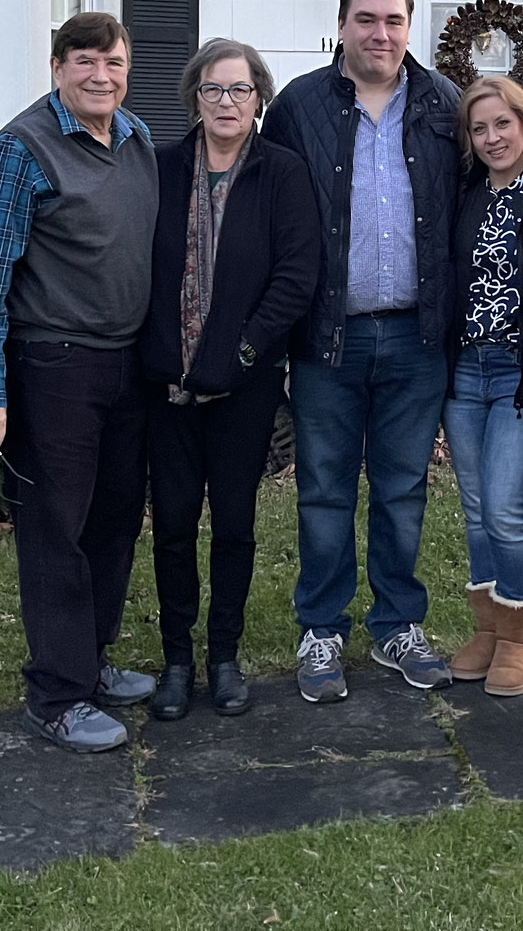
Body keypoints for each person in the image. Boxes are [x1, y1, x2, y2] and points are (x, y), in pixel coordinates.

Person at [0, 11, 158, 755]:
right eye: (84, 62)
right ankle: (57, 694)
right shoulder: (20, 149)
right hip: (52, 367)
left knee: (111, 523)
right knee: (55, 535)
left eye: (113, 61)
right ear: (56, 67)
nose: (100, 75)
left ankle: (94, 662)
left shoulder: (135, 139)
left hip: (127, 365)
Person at [263, 0, 464, 701]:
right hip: (327, 337)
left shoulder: (445, 105)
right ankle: (321, 627)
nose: (380, 33)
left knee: (403, 488)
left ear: (410, 29)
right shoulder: (298, 107)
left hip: (417, 337)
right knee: (322, 489)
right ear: (342, 25)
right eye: (366, 19)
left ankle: (396, 624)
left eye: (394, 21)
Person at [138, 39, 319, 720]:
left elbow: (296, 276)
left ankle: (224, 657)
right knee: (176, 524)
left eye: (240, 90)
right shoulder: (159, 170)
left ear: (259, 98)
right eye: (213, 89)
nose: (226, 102)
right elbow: (138, 270)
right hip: (168, 386)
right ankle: (178, 660)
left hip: (244, 384)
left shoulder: (282, 173)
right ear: (195, 96)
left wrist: (242, 353)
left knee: (235, 525)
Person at [441, 76, 523, 698]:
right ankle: (488, 630)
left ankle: (520, 636)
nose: (492, 138)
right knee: (473, 510)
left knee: (504, 507)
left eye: (502, 124)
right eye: (479, 128)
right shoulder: (463, 194)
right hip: (465, 368)